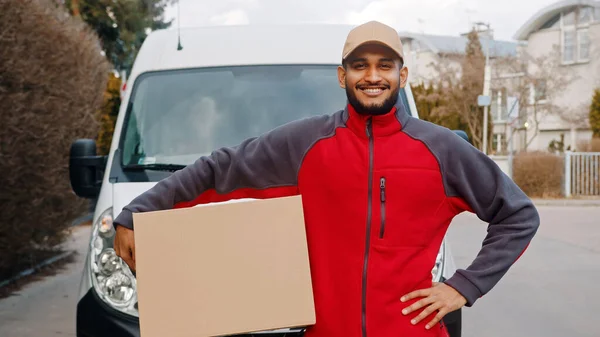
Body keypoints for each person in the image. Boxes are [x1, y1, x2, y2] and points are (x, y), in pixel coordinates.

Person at [113, 21, 540, 337]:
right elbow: (219, 169)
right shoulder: (306, 144)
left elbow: (518, 215)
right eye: (359, 65)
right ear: (343, 75)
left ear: (402, 76)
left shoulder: (442, 149)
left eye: (384, 65)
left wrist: (462, 287)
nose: (372, 76)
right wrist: (139, 210)